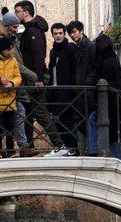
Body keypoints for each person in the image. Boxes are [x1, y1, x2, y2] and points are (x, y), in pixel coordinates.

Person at [14, 1, 67, 156]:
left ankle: (59, 145)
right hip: (30, 78)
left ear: (25, 12)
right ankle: (27, 148)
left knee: (41, 113)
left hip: (34, 79)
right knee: (29, 113)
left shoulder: (34, 32)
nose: (16, 14)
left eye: (17, 11)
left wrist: (37, 78)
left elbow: (38, 56)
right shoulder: (30, 30)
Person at [0, 7, 34, 156]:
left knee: (14, 116)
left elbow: (16, 71)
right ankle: (0, 151)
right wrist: (0, 81)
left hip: (12, 91)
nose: (17, 29)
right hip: (0, 94)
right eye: (14, 27)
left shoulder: (10, 47)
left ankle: (17, 148)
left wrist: (14, 83)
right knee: (1, 122)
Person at [86, 33, 121, 159]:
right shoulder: (112, 60)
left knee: (112, 136)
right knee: (111, 135)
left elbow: (107, 84)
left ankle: (95, 151)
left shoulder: (106, 63)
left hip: (111, 106)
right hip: (113, 105)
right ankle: (97, 152)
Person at [48, 23, 78, 154]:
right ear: (52, 35)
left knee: (67, 121)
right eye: (55, 33)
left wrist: (72, 89)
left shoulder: (71, 49)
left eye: (60, 33)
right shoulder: (53, 51)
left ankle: (73, 148)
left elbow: (74, 70)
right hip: (54, 91)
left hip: (67, 90)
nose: (58, 36)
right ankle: (67, 147)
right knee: (57, 120)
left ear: (64, 34)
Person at [66, 20, 96, 135]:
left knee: (88, 123)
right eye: (70, 34)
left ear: (81, 31)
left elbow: (95, 68)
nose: (72, 35)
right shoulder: (78, 48)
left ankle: (91, 150)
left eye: (74, 32)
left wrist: (87, 83)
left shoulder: (90, 46)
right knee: (83, 124)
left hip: (88, 92)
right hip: (81, 92)